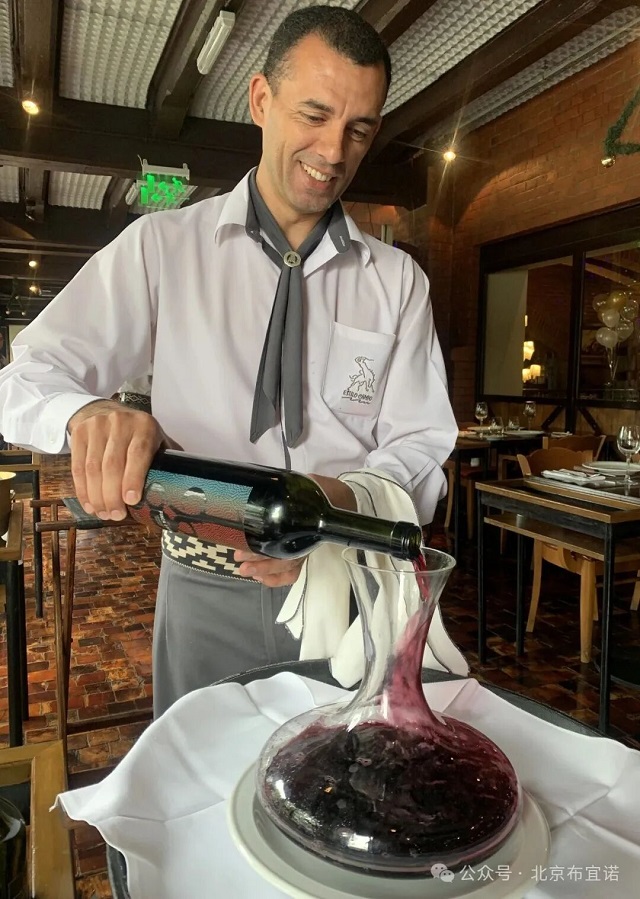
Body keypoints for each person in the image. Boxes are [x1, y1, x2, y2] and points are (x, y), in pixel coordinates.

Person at [0, 6, 457, 716]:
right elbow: (22, 377)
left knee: (347, 774)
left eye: (359, 129)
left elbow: (422, 443)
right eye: (314, 114)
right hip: (201, 589)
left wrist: (335, 504)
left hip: (347, 587)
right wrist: (86, 413)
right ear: (261, 99)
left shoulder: (397, 282)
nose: (334, 150)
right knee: (201, 778)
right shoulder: (163, 249)